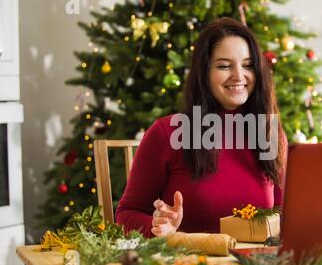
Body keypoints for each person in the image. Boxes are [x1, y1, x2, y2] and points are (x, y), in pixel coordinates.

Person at [116, 17, 287, 238]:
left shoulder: (270, 132)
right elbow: (125, 214)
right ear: (204, 73)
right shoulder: (167, 133)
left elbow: (284, 215)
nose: (239, 75)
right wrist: (160, 228)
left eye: (248, 65)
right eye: (224, 66)